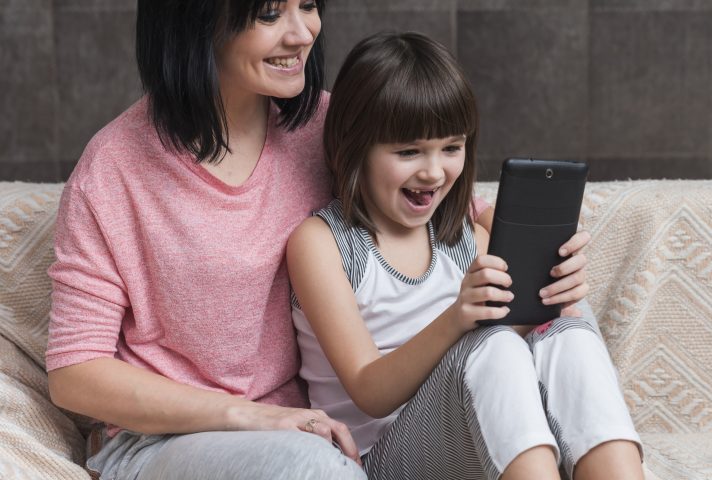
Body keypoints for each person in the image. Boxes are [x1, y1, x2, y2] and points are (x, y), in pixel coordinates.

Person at [287, 31, 644, 480]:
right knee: (490, 345)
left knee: (567, 333)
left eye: (451, 148)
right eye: (408, 151)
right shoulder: (322, 244)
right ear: (352, 148)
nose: (434, 171)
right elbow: (368, 391)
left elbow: (513, 355)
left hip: (477, 441)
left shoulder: (462, 233)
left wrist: (556, 296)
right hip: (383, 457)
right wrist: (459, 318)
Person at [45, 1, 368, 478]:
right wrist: (252, 416)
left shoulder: (330, 126)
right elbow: (75, 373)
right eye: (270, 14)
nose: (303, 34)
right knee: (311, 467)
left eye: (309, 6)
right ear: (197, 24)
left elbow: (452, 204)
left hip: (312, 428)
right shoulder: (114, 167)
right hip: (162, 443)